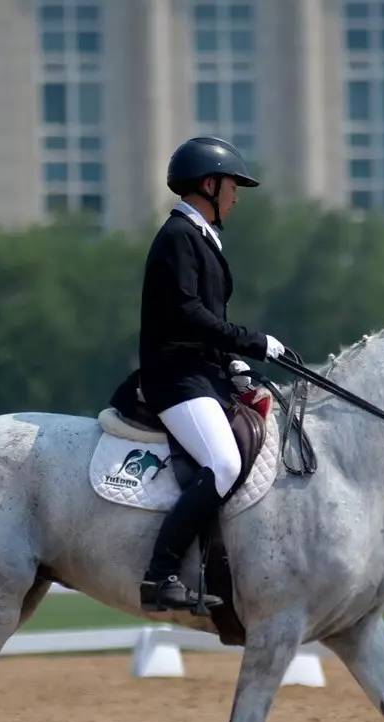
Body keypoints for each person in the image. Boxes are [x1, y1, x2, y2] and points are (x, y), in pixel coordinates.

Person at [137, 136, 285, 612]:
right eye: (233, 187)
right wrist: (251, 342)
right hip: (176, 379)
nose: (237, 196)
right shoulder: (178, 237)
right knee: (223, 464)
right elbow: (187, 315)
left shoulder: (201, 237)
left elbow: (203, 322)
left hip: (204, 373)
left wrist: (235, 364)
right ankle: (159, 575)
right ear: (209, 185)